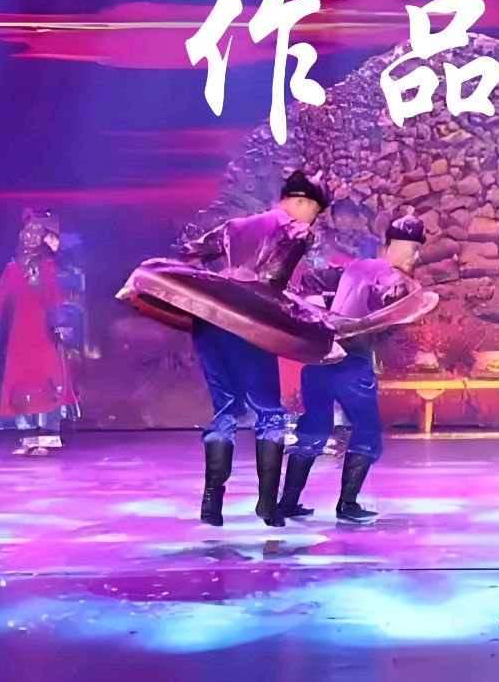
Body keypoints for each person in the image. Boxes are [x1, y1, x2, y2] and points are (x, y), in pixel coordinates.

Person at [119, 170, 341, 527]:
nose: (312, 220)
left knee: (224, 410)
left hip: (211, 322)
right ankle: (267, 505)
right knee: (269, 412)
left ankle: (211, 505)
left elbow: (189, 254)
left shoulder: (233, 227)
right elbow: (269, 281)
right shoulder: (296, 231)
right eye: (313, 211)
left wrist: (205, 290)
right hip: (251, 323)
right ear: (300, 202)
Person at [277, 215, 436, 524]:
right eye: (413, 250)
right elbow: (387, 313)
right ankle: (347, 504)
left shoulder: (353, 268)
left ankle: (287, 502)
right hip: (352, 365)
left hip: (320, 359)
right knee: (367, 432)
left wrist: (320, 315)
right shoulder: (395, 280)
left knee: (313, 430)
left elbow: (312, 282)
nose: (415, 258)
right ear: (395, 247)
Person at [0, 210, 79, 455]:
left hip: (44, 332)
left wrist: (60, 325)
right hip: (21, 334)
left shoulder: (49, 267)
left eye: (36, 233)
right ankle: (28, 437)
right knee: (21, 380)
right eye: (27, 231)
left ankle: (48, 437)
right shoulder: (12, 267)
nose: (29, 236)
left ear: (43, 239)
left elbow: (55, 298)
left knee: (47, 378)